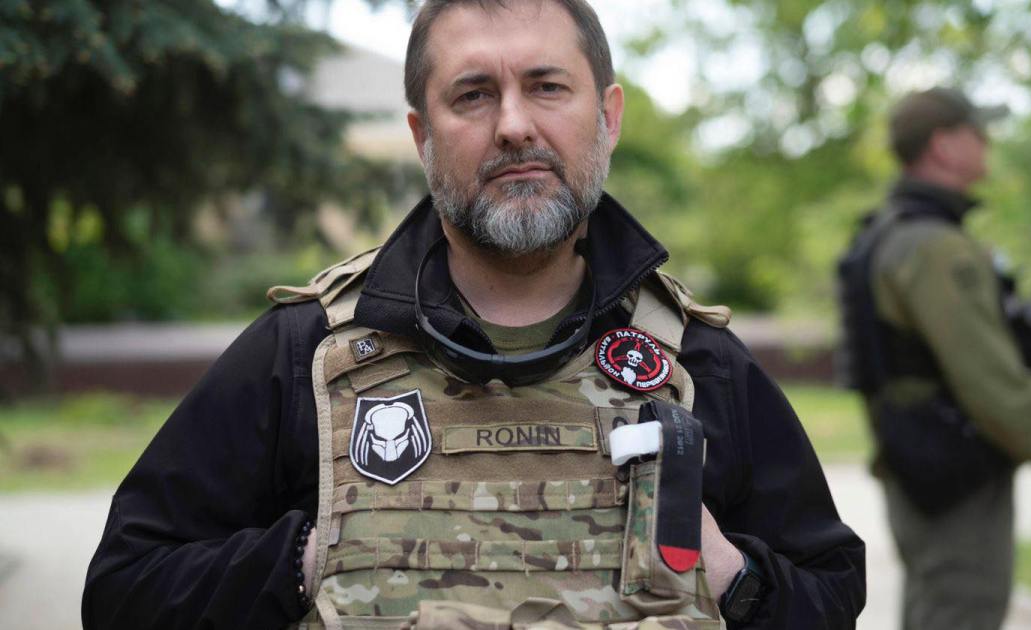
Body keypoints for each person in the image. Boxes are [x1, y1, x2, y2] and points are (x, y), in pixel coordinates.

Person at [82, 1, 866, 628]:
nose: (514, 125)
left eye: (547, 86)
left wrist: (731, 576)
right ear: (422, 135)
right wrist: (311, 559)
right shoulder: (307, 353)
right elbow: (124, 590)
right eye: (473, 94)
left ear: (608, 116)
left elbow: (831, 591)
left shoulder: (698, 363)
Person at [835, 87, 1031, 630]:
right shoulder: (936, 247)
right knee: (962, 610)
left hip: (920, 464)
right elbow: (994, 383)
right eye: (977, 133)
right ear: (943, 146)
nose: (987, 143)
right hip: (955, 477)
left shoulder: (893, 233)